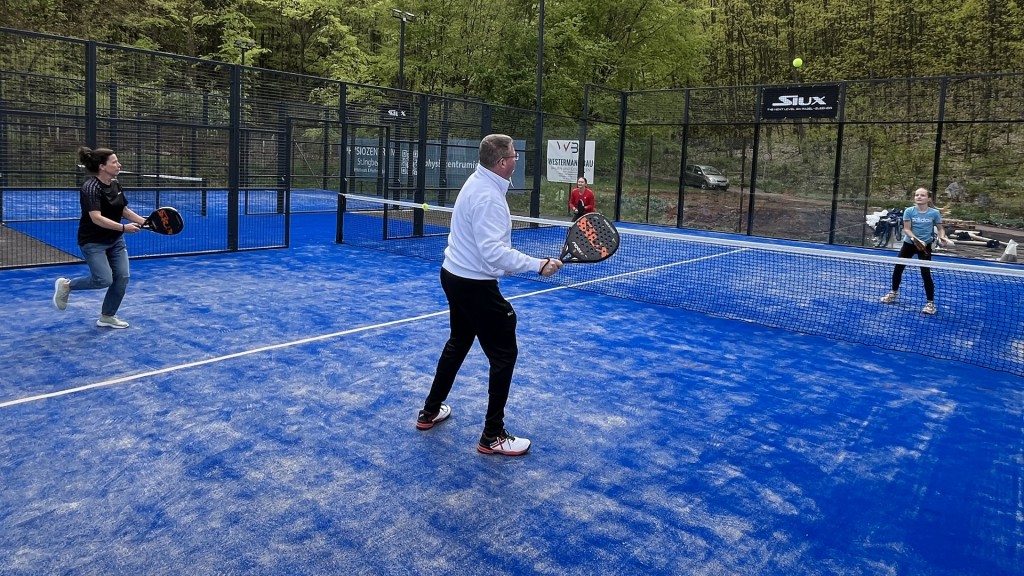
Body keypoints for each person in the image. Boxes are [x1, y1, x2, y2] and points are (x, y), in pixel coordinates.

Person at [416, 134, 564, 456]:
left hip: (454, 276)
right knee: (504, 353)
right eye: (514, 156)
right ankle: (492, 435)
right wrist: (539, 265)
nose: (516, 160)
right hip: (473, 285)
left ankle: (429, 411)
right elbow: (493, 254)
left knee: (458, 342)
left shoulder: (477, 181)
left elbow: (486, 252)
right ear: (502, 163)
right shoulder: (488, 198)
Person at [52, 147, 146, 328]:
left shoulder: (116, 183)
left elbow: (124, 210)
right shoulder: (90, 187)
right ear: (102, 166)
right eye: (114, 162)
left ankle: (107, 316)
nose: (119, 164)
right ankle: (67, 286)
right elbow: (96, 217)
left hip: (115, 240)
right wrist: (123, 228)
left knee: (122, 277)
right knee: (103, 280)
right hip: (93, 241)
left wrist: (146, 222)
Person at [880, 187, 949, 314]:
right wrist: (916, 240)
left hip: (925, 247)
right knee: (898, 269)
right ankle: (894, 292)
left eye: (922, 195)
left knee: (926, 274)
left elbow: (940, 229)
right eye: (917, 195)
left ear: (928, 198)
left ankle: (930, 304)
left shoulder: (934, 213)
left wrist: (942, 237)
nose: (919, 197)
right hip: (909, 244)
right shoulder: (909, 211)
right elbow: (907, 229)